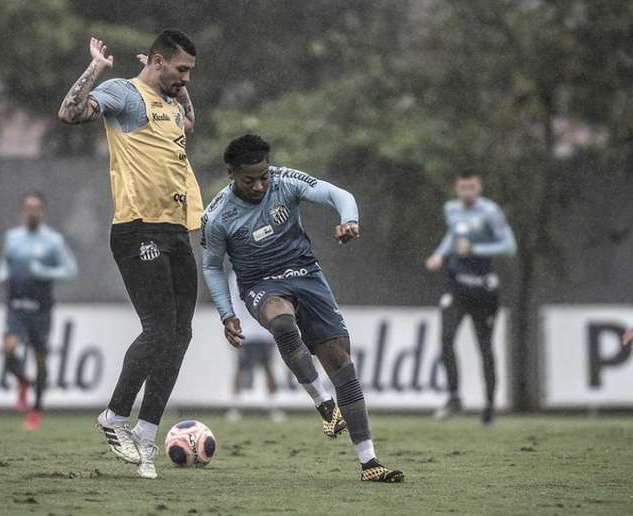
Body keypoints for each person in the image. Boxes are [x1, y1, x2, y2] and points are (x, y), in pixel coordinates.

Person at [201, 134, 404, 483]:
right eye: (250, 180)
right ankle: (324, 404)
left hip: (306, 274)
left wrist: (349, 218)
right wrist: (226, 312)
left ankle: (370, 463)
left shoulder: (285, 181)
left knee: (342, 364)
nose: (261, 185)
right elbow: (212, 266)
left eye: (264, 176)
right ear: (231, 173)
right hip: (261, 284)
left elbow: (336, 195)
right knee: (281, 323)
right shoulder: (218, 215)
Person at [58, 29, 202, 479]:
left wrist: (181, 89)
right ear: (157, 62)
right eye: (181, 70)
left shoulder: (174, 104)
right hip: (138, 227)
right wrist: (96, 69)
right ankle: (115, 416)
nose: (186, 79)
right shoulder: (124, 93)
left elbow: (187, 126)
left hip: (177, 229)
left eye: (190, 72)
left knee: (181, 335)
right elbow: (70, 112)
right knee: (159, 329)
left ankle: (146, 432)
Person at [425, 171, 516, 425]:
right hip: (457, 286)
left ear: (479, 187)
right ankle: (454, 397)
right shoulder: (451, 209)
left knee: (485, 348)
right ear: (457, 188)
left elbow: (509, 246)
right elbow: (453, 236)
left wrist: (476, 248)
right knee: (445, 338)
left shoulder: (491, 212)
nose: (467, 193)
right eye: (462, 188)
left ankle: (489, 406)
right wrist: (439, 255)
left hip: (484, 289)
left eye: (471, 187)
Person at [0, 192, 77, 430]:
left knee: (40, 361)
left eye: (37, 208)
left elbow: (70, 270)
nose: (32, 212)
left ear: (43, 211)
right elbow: (5, 262)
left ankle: (36, 410)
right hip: (16, 306)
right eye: (28, 207)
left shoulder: (53, 241)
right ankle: (22, 381)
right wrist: (2, 274)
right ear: (23, 211)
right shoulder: (12, 238)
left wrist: (43, 271)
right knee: (9, 349)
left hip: (41, 308)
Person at [225, 270, 286, 423]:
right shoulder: (236, 276)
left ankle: (272, 406)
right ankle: (235, 407)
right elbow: (233, 303)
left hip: (265, 331)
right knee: (241, 368)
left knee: (268, 368)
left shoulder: (267, 273)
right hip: (247, 331)